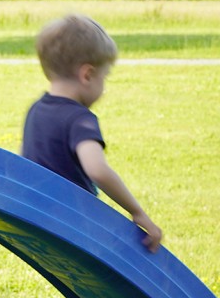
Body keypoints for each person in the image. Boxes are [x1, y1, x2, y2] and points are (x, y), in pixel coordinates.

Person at [20, 14, 164, 251]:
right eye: (104, 77)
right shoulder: (80, 119)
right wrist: (137, 212)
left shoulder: (36, 109)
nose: (104, 87)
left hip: (40, 219)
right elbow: (97, 169)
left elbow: (25, 162)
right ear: (87, 75)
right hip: (75, 226)